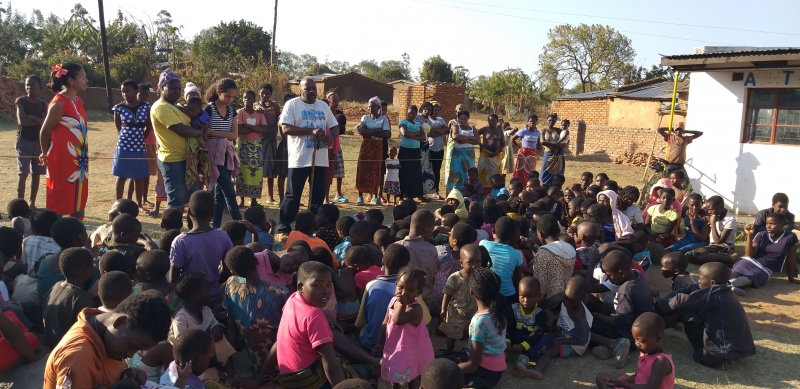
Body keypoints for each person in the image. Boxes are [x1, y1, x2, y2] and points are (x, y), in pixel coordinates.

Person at [43, 293, 172, 389]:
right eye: (132, 346)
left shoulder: (105, 334)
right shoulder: (79, 358)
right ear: (119, 321)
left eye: (137, 350)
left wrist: (126, 375)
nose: (130, 355)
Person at [658, 262, 755, 368]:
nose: (698, 281)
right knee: (689, 309)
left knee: (685, 311)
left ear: (712, 282)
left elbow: (678, 301)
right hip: (738, 349)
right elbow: (691, 289)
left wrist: (659, 305)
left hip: (720, 355)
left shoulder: (713, 295)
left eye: (700, 278)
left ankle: (653, 332)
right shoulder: (722, 290)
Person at [276, 77, 338, 233]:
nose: (311, 91)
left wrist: (330, 137)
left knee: (317, 196)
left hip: (320, 159)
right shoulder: (292, 105)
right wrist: (311, 131)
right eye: (307, 88)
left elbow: (335, 127)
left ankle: (313, 226)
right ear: (300, 90)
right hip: (299, 159)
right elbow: (286, 129)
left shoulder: (323, 106)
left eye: (313, 89)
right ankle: (284, 227)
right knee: (292, 195)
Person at [275, 261, 347, 387]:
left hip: (288, 380)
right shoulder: (314, 316)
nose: (325, 291)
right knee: (364, 374)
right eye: (317, 285)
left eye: (329, 285)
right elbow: (331, 367)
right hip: (307, 381)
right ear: (300, 287)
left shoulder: (292, 300)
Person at [223, 246, 289, 376]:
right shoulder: (281, 293)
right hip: (282, 364)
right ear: (257, 261)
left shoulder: (231, 285)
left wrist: (230, 367)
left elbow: (231, 327)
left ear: (232, 271)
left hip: (255, 365)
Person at [516, 276, 593, 380]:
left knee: (546, 351)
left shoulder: (577, 314)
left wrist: (560, 340)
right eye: (565, 299)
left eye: (571, 302)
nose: (566, 303)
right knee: (545, 336)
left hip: (575, 345)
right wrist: (554, 320)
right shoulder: (566, 298)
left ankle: (537, 370)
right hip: (564, 333)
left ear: (581, 300)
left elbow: (582, 339)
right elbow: (565, 315)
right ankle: (527, 357)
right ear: (565, 288)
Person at [39, 63, 89, 219]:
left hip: (79, 160)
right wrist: (45, 153)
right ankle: (56, 234)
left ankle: (76, 233)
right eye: (83, 77)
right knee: (60, 198)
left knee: (78, 197)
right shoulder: (59, 103)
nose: (86, 80)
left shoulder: (78, 101)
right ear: (71, 81)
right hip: (61, 160)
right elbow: (44, 132)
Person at [151, 68, 205, 209]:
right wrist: (200, 133)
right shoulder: (161, 107)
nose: (177, 91)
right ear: (162, 87)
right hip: (173, 160)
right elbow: (182, 130)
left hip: (188, 159)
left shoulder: (175, 106)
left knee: (194, 200)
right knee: (177, 201)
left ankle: (191, 231)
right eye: (173, 88)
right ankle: (173, 230)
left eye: (179, 89)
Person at [374, 267, 435, 389]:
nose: (404, 293)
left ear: (418, 292)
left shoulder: (415, 309)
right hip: (395, 347)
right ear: (396, 285)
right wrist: (379, 343)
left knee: (412, 378)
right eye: (401, 287)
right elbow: (386, 322)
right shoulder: (393, 301)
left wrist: (401, 304)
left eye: (410, 290)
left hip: (412, 352)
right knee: (395, 377)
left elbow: (398, 320)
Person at [169, 191, 234, 305]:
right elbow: (229, 269)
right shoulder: (223, 236)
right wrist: (214, 281)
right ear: (213, 213)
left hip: (188, 299)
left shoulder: (180, 242)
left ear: (188, 211)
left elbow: (173, 278)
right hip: (214, 295)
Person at [595, 312, 675, 389]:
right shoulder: (645, 352)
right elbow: (638, 375)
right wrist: (621, 383)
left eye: (641, 341)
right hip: (637, 386)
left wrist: (624, 384)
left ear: (657, 339)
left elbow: (650, 388)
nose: (637, 344)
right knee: (601, 377)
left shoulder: (661, 361)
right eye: (635, 340)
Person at [356, 244, 411, 352]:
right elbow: (425, 321)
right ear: (405, 268)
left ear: (382, 262)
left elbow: (361, 321)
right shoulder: (409, 289)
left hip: (371, 345)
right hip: (399, 348)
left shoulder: (371, 285)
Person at [458, 268, 507, 389]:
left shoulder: (479, 322)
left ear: (471, 292)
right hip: (497, 370)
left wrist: (449, 369)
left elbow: (472, 365)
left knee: (443, 367)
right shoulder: (499, 310)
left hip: (484, 372)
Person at [203, 78, 242, 228]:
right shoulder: (209, 109)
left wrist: (213, 132)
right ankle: (240, 225)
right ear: (219, 92)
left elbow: (234, 135)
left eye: (233, 97)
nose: (230, 100)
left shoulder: (232, 111)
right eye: (227, 96)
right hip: (213, 153)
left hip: (226, 152)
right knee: (229, 191)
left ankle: (216, 226)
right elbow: (204, 132)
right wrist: (220, 135)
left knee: (220, 193)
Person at [42, 247, 96, 348]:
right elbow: (86, 332)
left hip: (49, 342)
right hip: (66, 347)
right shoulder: (83, 299)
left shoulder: (56, 286)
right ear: (87, 271)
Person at [730, 213, 799, 290]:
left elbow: (791, 259)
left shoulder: (790, 237)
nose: (768, 226)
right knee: (739, 267)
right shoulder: (761, 235)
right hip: (750, 261)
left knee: (756, 276)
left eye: (772, 224)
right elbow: (749, 255)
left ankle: (738, 284)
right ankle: (731, 282)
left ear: (782, 224)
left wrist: (791, 279)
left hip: (766, 269)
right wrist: (749, 235)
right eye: (767, 223)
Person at [112, 79, 152, 209]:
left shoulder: (146, 107)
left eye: (127, 91)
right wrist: (123, 136)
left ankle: (139, 204)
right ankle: (117, 204)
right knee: (121, 176)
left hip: (139, 145)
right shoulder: (119, 108)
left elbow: (149, 126)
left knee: (138, 176)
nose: (125, 94)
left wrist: (141, 138)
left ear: (136, 91)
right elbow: (117, 125)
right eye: (123, 92)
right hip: (123, 145)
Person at [506, 277, 554, 372]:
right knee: (502, 331)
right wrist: (507, 340)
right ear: (518, 294)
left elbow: (538, 332)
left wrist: (523, 346)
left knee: (548, 337)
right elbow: (508, 325)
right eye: (522, 296)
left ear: (538, 296)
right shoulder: (513, 307)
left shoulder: (540, 312)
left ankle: (525, 358)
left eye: (531, 297)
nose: (526, 300)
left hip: (531, 338)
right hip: (516, 335)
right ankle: (501, 353)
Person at [439, 244, 480, 353]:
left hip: (474, 312)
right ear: (461, 263)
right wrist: (443, 309)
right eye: (470, 262)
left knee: (471, 334)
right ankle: (449, 351)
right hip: (456, 312)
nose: (474, 266)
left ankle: (468, 351)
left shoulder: (480, 277)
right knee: (452, 333)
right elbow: (447, 294)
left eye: (478, 262)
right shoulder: (455, 277)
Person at [396, 210, 440, 309]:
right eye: (431, 230)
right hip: (426, 301)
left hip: (401, 301)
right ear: (426, 229)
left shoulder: (397, 247)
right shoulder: (432, 249)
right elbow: (433, 276)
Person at [15, 75, 47, 208]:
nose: (29, 87)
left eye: (32, 85)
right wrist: (38, 119)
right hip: (24, 142)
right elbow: (22, 121)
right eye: (27, 84)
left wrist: (32, 117)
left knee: (37, 174)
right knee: (23, 173)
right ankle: (20, 205)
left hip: (38, 142)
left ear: (40, 86)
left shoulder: (43, 104)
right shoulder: (20, 101)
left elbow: (46, 123)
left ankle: (32, 203)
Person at [531, 214, 576, 305]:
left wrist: (537, 303)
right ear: (558, 230)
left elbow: (540, 284)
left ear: (540, 233)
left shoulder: (544, 252)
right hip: (567, 297)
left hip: (551, 301)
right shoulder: (569, 247)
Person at [235, 90, 269, 207]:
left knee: (257, 173)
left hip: (257, 147)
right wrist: (256, 128)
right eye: (244, 98)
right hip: (243, 147)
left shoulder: (260, 113)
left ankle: (254, 200)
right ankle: (242, 200)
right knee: (242, 173)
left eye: (249, 98)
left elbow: (265, 129)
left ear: (254, 100)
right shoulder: (239, 112)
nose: (246, 100)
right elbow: (239, 129)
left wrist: (248, 126)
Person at [356, 97, 391, 206]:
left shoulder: (383, 119)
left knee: (376, 170)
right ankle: (360, 195)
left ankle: (375, 196)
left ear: (378, 108)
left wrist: (369, 132)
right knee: (362, 169)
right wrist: (377, 130)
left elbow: (386, 134)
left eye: (373, 106)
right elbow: (361, 131)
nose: (370, 108)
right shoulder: (365, 118)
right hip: (366, 146)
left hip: (377, 146)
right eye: (369, 106)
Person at [686, 195, 737, 265]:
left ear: (720, 207)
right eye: (708, 209)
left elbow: (718, 242)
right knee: (689, 255)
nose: (709, 212)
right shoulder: (714, 214)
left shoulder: (730, 219)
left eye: (711, 209)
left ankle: (730, 259)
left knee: (698, 256)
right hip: (712, 246)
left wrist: (713, 223)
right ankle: (722, 260)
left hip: (726, 247)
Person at [254, 83, 282, 205]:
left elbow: (280, 115)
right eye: (263, 93)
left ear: (271, 94)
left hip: (271, 140)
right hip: (259, 140)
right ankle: (255, 197)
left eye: (267, 93)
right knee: (258, 169)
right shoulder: (255, 104)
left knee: (270, 169)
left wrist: (272, 106)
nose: (265, 95)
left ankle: (270, 197)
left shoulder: (274, 105)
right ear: (259, 93)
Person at [445, 110, 479, 194]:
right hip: (457, 153)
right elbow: (455, 137)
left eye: (465, 118)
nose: (463, 120)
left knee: (468, 171)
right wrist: (470, 138)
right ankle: (453, 192)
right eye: (461, 118)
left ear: (468, 119)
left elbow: (478, 140)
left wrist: (464, 140)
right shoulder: (455, 126)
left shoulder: (472, 128)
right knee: (455, 171)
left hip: (469, 154)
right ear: (458, 119)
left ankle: (465, 191)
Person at [20, 208, 60, 276]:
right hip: (49, 285)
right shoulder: (59, 247)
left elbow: (24, 264)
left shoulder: (28, 241)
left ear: (33, 229)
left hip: (29, 281)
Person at [398, 106, 426, 202]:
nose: (411, 115)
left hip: (415, 151)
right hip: (405, 151)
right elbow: (405, 133)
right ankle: (404, 194)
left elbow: (424, 137)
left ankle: (415, 194)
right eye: (409, 113)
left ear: (416, 114)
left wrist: (412, 135)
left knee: (415, 173)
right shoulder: (403, 122)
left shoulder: (418, 124)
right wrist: (416, 134)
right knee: (405, 172)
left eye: (413, 113)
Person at [540, 114, 570, 186]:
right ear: (547, 120)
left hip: (558, 154)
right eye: (550, 120)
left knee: (557, 171)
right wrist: (556, 144)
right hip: (548, 154)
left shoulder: (558, 130)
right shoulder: (543, 131)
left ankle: (555, 187)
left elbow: (565, 142)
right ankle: (545, 186)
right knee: (545, 171)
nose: (551, 122)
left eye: (553, 121)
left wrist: (554, 144)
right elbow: (542, 142)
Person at [511, 115, 542, 182]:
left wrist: (538, 149)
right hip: (523, 154)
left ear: (536, 122)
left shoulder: (537, 132)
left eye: (534, 121)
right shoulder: (523, 131)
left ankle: (527, 185)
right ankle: (519, 185)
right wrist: (520, 148)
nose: (532, 123)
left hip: (532, 154)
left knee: (530, 170)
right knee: (520, 170)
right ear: (527, 122)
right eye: (530, 121)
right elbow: (512, 139)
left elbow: (538, 144)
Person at [476, 115, 505, 188]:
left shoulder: (500, 130)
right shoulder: (484, 129)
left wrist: (497, 152)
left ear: (497, 121)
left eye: (493, 120)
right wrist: (480, 144)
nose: (491, 122)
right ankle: (481, 189)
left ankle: (493, 189)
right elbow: (475, 134)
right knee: (481, 171)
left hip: (496, 156)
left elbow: (503, 143)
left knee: (494, 173)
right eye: (490, 121)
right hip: (485, 154)